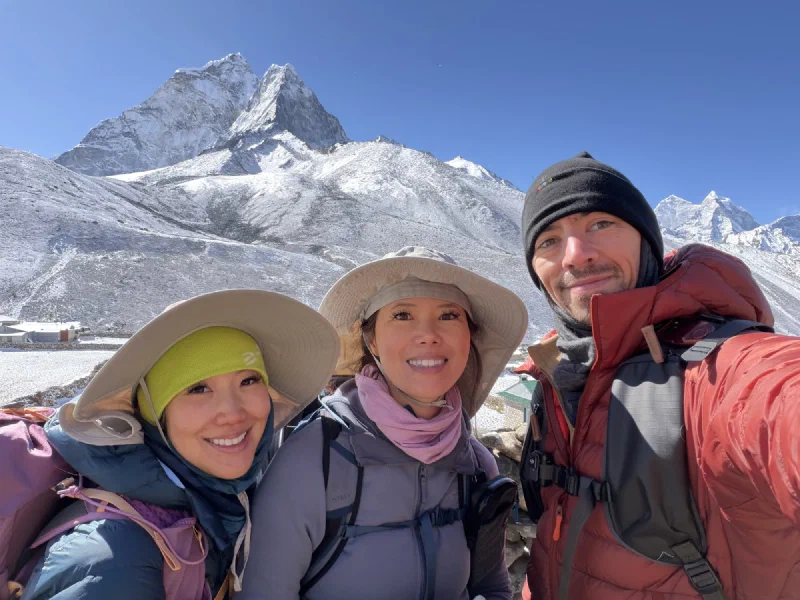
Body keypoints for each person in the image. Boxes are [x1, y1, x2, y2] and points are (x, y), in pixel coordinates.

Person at [517, 152, 800, 599]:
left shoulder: (714, 368)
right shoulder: (559, 376)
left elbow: (776, 401)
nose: (575, 255)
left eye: (600, 224)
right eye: (548, 241)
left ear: (645, 241)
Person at [239, 247, 529, 600]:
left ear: (470, 336)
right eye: (403, 314)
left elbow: (492, 587)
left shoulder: (475, 465)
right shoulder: (316, 459)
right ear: (371, 339)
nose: (428, 335)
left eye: (449, 315)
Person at [21, 289, 340, 600]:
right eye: (198, 389)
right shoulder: (116, 560)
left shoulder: (214, 499)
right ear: (153, 415)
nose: (232, 413)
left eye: (249, 380)